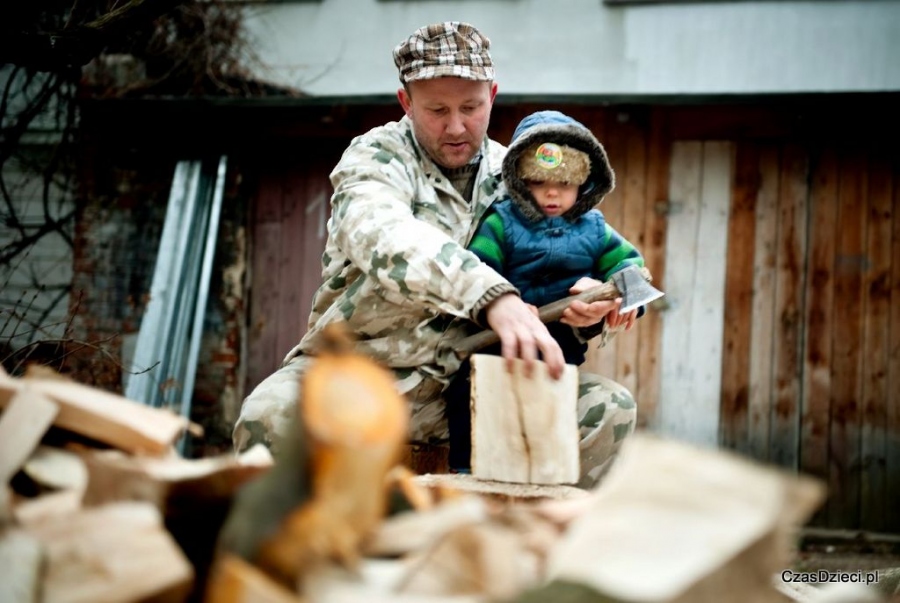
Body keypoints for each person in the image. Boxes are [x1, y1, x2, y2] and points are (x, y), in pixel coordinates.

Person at [232, 21, 638, 488]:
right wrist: (491, 294)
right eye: (437, 109)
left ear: (493, 95)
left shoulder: (520, 178)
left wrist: (594, 303)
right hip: (357, 377)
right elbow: (383, 234)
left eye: (471, 107)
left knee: (608, 409)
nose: (456, 126)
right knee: (269, 416)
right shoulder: (376, 158)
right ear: (406, 102)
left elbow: (601, 250)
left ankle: (525, 554)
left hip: (470, 385)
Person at [444, 109, 645, 473]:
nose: (552, 194)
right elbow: (479, 268)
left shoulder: (595, 230)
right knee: (467, 394)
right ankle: (465, 469)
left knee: (549, 403)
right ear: (520, 180)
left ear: (584, 184)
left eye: (565, 185)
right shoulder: (501, 222)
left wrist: (627, 296)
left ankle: (545, 479)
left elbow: (629, 264)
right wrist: (506, 301)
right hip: (498, 339)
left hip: (559, 344)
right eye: (539, 183)